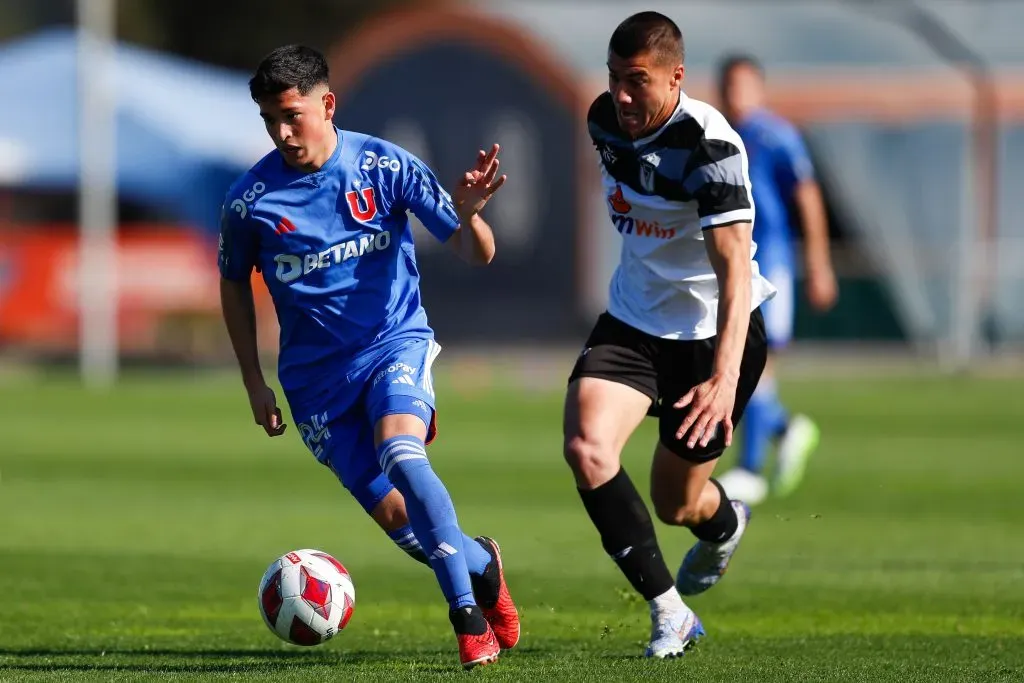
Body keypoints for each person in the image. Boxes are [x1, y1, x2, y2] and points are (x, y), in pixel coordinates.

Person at [217, 45, 518, 670]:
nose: (281, 132)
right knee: (403, 523)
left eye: (292, 115)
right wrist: (253, 382)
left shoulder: (383, 165)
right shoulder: (250, 203)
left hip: (393, 343)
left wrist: (466, 213)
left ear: (327, 104)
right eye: (270, 119)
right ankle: (483, 564)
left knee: (402, 453)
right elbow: (232, 284)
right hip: (315, 386)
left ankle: (466, 619)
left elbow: (475, 251)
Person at [564, 11, 775, 659]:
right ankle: (669, 612)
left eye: (638, 81)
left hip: (714, 336)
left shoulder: (711, 148)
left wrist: (724, 377)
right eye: (613, 79)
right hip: (632, 323)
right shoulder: (603, 120)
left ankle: (724, 523)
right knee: (587, 447)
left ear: (676, 77)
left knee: (675, 504)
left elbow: (735, 272)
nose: (622, 97)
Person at [713, 53, 839, 506]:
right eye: (729, 86)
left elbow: (807, 197)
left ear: (759, 89)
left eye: (744, 86)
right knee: (738, 361)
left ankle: (749, 469)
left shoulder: (777, 135)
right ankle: (786, 428)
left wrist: (819, 262)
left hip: (773, 265)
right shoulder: (715, 134)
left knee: (755, 360)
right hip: (731, 263)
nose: (736, 95)